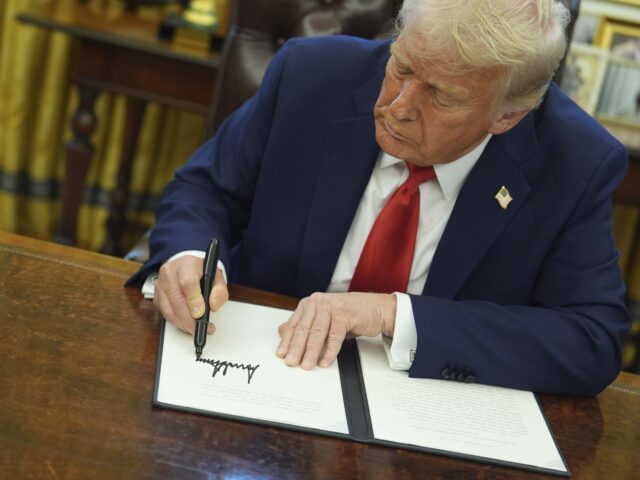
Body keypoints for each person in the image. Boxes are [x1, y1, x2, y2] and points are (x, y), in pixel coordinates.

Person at [127, 0, 630, 396]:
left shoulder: (575, 164)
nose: (398, 107)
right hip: (257, 374)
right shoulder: (310, 76)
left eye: (442, 95)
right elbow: (205, 188)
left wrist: (391, 314)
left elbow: (590, 339)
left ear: (508, 116)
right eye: (403, 67)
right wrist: (191, 255)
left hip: (428, 415)